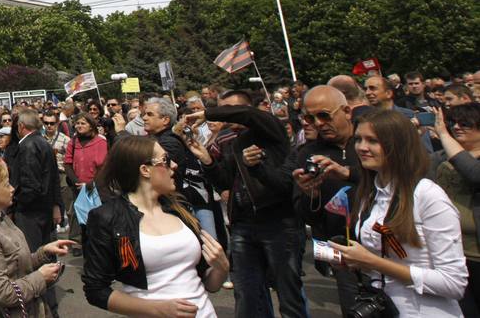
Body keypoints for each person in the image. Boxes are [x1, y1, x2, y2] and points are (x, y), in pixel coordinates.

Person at [328, 109, 468, 316]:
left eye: (372, 140)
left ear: (398, 146)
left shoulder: (428, 196)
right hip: (383, 308)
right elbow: (381, 258)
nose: (362, 147)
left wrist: (373, 262)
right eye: (358, 139)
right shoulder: (370, 193)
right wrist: (353, 262)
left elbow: (453, 283)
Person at [183, 91, 307, 318]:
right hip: (243, 224)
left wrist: (209, 112)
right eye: (224, 109)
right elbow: (225, 181)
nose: (227, 115)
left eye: (231, 109)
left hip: (278, 222)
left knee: (288, 294)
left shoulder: (271, 130)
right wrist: (207, 160)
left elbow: (247, 115)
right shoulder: (235, 141)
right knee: (247, 294)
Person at [82, 134, 229, 317]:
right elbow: (95, 290)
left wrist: (222, 267)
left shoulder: (180, 209)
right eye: (166, 160)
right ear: (145, 170)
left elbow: (210, 284)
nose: (174, 165)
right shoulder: (107, 217)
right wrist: (157, 309)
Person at [0, 154, 75, 317]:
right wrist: (41, 278)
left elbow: (18, 265)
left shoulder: (2, 219)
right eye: (6, 184)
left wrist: (44, 253)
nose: (12, 188)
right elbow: (4, 293)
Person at [288, 85, 363, 317]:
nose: (317, 123)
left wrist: (348, 173)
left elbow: (396, 176)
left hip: (384, 241)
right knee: (353, 308)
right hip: (336, 245)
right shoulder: (306, 153)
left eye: (324, 115)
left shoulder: (369, 140)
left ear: (347, 111)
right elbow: (304, 216)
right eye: (309, 117)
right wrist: (311, 194)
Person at [8, 110, 62, 317]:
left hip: (31, 212)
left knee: (35, 260)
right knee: (45, 258)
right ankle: (50, 305)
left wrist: (17, 204)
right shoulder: (43, 143)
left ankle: (45, 308)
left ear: (21, 127)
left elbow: (30, 184)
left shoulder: (28, 146)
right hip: (43, 210)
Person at [428, 103, 480, 316]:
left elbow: (474, 174)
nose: (456, 127)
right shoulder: (441, 157)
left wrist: (442, 133)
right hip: (449, 251)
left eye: (465, 124)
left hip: (476, 254)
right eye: (453, 123)